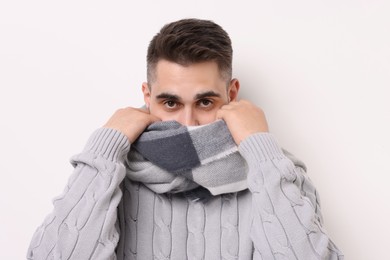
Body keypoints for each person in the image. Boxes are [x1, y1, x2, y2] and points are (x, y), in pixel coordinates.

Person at [27, 18, 343, 259]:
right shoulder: (112, 172)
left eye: (205, 102)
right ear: (147, 97)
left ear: (231, 94)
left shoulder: (274, 170)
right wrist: (104, 149)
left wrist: (261, 150)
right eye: (171, 103)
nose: (188, 122)